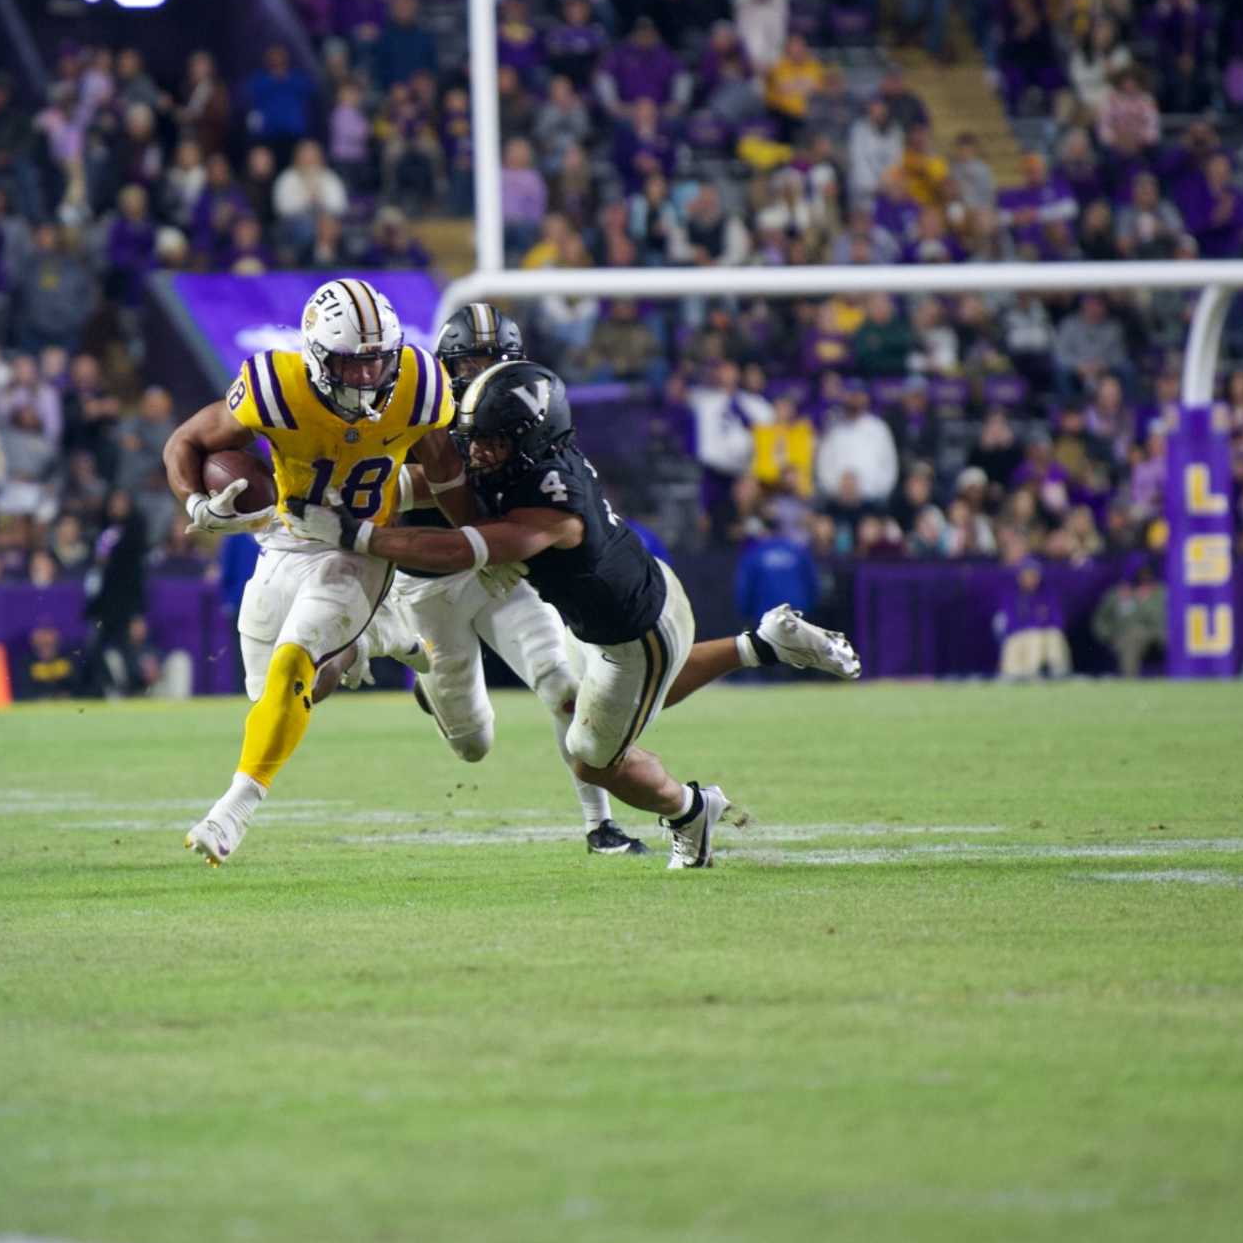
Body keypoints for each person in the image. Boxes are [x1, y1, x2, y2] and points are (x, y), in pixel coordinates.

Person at [286, 362, 861, 869]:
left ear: (529, 440)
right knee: (627, 704)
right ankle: (762, 644)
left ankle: (691, 812)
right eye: (476, 438)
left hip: (634, 635)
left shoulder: (553, 507)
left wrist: (355, 533)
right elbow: (431, 482)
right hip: (639, 597)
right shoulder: (528, 456)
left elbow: (458, 548)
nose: (479, 451)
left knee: (593, 761)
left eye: (492, 442)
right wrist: (340, 491)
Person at [163, 278, 466, 867]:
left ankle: (232, 811)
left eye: (378, 362)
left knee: (292, 664)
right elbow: (186, 441)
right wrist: (196, 504)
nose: (369, 378)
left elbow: (448, 475)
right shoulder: (274, 387)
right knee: (281, 698)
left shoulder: (422, 385)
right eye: (353, 366)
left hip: (359, 545)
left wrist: (478, 543)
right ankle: (373, 639)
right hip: (283, 536)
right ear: (318, 357)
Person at [378, 305, 649, 856]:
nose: (481, 373)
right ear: (446, 364)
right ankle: (431, 689)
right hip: (428, 584)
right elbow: (389, 481)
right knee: (473, 744)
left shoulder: (528, 407)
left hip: (499, 569)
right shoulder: (415, 402)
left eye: (494, 361)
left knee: (562, 684)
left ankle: (601, 825)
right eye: (470, 361)